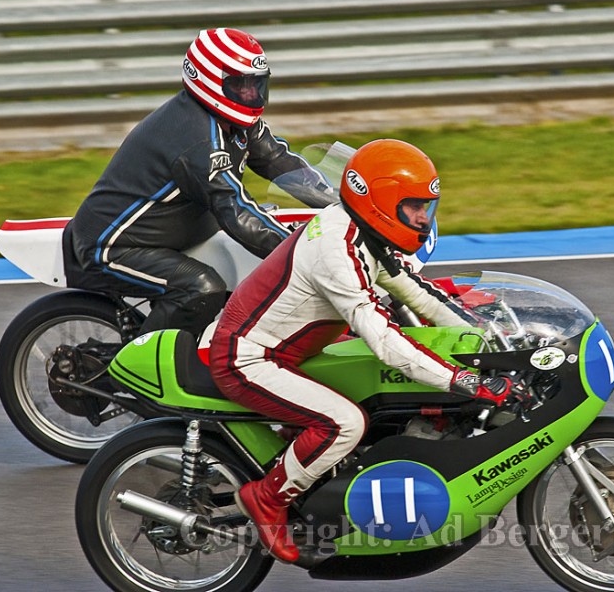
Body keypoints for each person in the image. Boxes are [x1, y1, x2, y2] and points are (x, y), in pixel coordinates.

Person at [209, 139, 516, 562]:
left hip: (287, 353)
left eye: (428, 206)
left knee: (376, 401)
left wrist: (490, 343)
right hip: (247, 359)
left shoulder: (360, 231)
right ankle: (267, 497)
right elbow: (384, 339)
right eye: (415, 207)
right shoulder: (337, 249)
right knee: (345, 423)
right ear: (383, 202)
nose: (424, 219)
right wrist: (463, 380)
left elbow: (421, 297)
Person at [64, 27, 333, 338]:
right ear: (208, 81)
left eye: (256, 84)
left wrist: (340, 202)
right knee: (201, 288)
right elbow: (235, 209)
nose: (250, 94)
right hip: (115, 246)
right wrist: (299, 251)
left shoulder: (236, 121)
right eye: (239, 85)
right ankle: (144, 373)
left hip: (167, 236)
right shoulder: (197, 140)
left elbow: (278, 161)